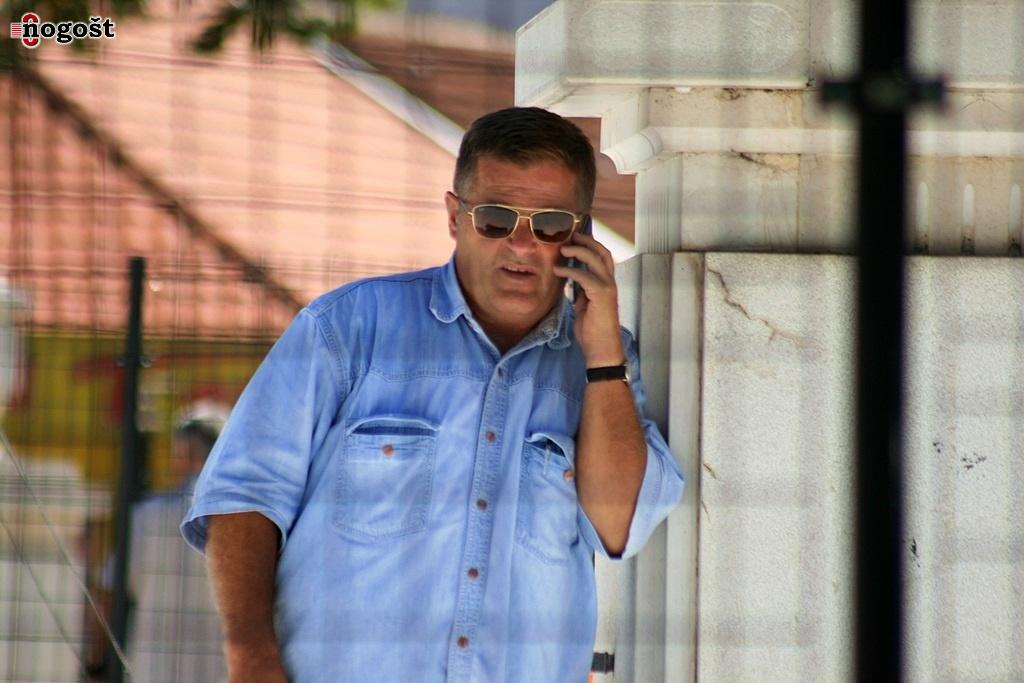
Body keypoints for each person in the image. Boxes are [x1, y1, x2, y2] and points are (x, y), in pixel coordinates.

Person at [181, 107, 685, 683]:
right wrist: (251, 659)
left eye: (548, 224)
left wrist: (601, 357)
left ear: (580, 235)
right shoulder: (348, 328)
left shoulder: (605, 366)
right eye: (495, 219)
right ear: (454, 216)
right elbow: (244, 495)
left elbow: (619, 527)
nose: (522, 245)